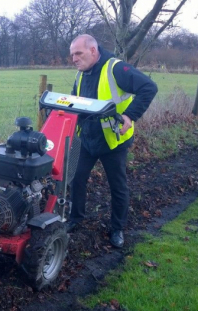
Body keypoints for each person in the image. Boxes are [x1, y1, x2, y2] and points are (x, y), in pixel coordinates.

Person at [66, 34, 158, 248]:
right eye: (72, 55)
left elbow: (149, 88)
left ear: (93, 50)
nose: (74, 59)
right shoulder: (80, 74)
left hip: (113, 140)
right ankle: (75, 218)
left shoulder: (115, 69)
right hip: (86, 138)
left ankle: (117, 228)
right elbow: (76, 102)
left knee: (117, 186)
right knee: (75, 178)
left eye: (78, 54)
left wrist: (129, 115)